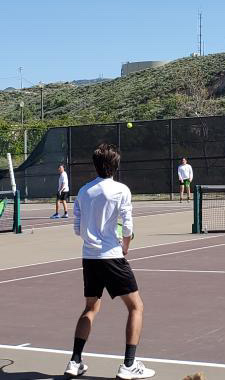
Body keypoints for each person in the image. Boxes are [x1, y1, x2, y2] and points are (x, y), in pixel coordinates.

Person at [65, 143, 154, 379]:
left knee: (90, 307)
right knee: (136, 307)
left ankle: (75, 361)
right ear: (116, 165)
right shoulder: (121, 190)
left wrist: (94, 237)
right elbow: (127, 226)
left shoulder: (83, 191)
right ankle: (128, 365)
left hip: (90, 258)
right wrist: (125, 245)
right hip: (112, 257)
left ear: (95, 165)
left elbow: (77, 228)